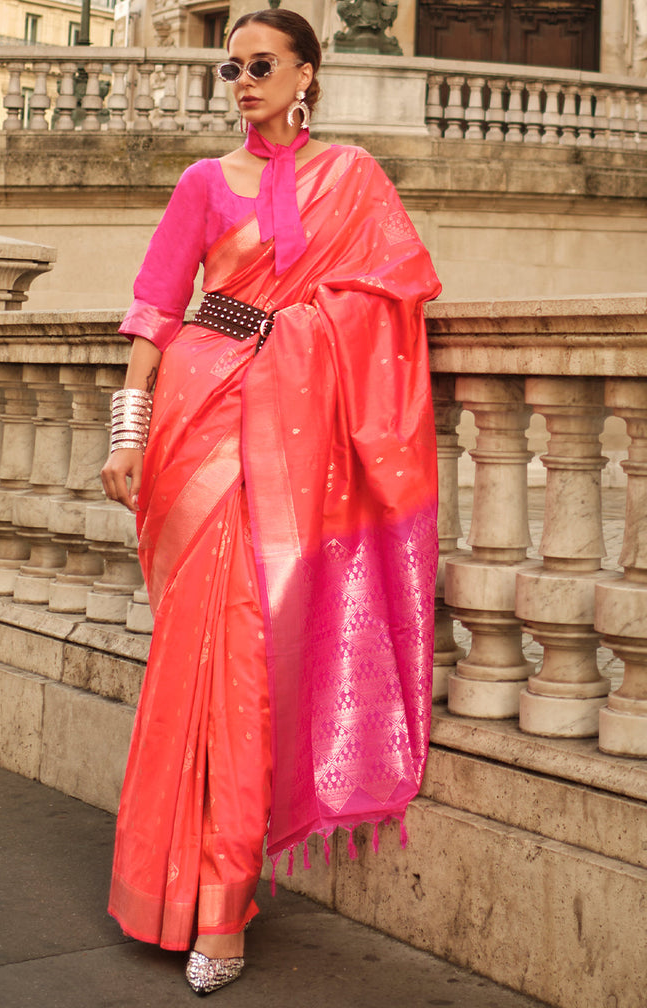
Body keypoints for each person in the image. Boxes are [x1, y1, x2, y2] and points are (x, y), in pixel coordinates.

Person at [101, 8, 441, 997]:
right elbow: (156, 312)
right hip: (195, 429)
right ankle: (177, 887)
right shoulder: (203, 183)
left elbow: (391, 301)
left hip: (291, 445)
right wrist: (127, 436)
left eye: (260, 64)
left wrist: (299, 335)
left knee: (248, 671)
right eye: (230, 66)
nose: (241, 80)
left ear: (305, 73)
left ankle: (222, 901)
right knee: (193, 665)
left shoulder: (355, 180)